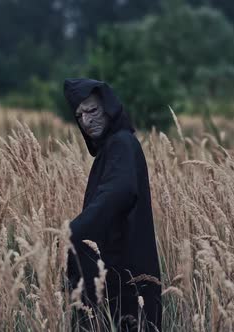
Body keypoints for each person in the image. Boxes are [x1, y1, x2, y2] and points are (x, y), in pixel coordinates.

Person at [63, 78, 162, 331]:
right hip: (119, 267)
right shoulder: (114, 146)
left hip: (125, 270)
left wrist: (76, 230)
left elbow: (120, 190)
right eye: (80, 115)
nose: (86, 121)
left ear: (109, 108)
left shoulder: (121, 143)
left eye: (93, 111)